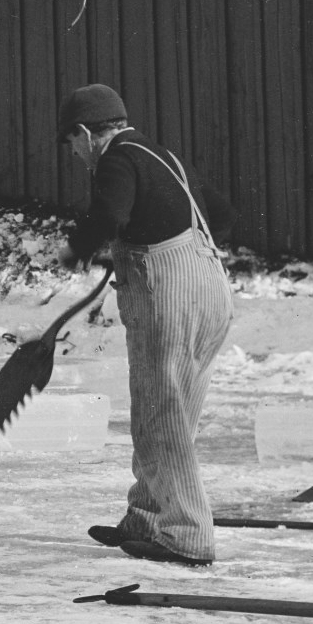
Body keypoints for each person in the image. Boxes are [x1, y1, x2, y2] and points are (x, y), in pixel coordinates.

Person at [56, 83, 235, 566]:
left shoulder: (116, 159)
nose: (75, 154)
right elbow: (221, 214)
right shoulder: (162, 155)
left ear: (84, 132)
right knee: (176, 414)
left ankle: (187, 535)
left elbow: (110, 214)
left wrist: (76, 250)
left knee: (160, 416)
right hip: (212, 292)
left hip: (170, 299)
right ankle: (148, 517)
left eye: (71, 143)